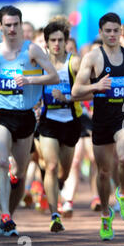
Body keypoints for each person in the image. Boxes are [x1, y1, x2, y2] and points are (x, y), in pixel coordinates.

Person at [0, 5, 59, 236]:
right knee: (2, 164)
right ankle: (5, 215)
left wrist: (29, 80)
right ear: (0, 26)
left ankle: (9, 212)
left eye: (16, 24)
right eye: (8, 25)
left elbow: (54, 76)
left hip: (26, 116)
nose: (12, 29)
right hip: (1, 115)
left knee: (21, 173)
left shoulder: (33, 50)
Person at [71, 12, 124, 241]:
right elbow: (75, 92)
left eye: (116, 31)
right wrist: (96, 85)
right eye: (108, 31)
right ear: (101, 32)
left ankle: (122, 193)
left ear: (120, 32)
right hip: (101, 119)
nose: (112, 35)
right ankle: (105, 214)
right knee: (103, 173)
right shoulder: (92, 58)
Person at [37, 20, 84, 232]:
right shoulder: (39, 63)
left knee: (63, 172)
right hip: (48, 122)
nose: (57, 44)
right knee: (51, 166)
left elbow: (90, 92)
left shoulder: (75, 63)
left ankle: (58, 186)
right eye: (52, 40)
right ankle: (55, 215)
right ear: (46, 42)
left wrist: (67, 97)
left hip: (71, 122)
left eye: (60, 40)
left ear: (66, 42)